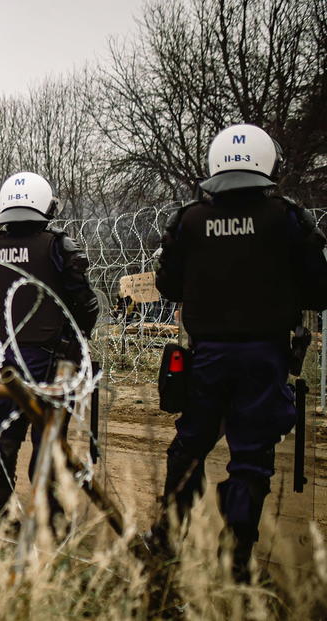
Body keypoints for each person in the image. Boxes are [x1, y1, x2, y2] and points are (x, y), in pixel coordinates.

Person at [152, 124, 327, 581]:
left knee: (190, 444)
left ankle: (167, 538)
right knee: (251, 456)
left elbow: (166, 283)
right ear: (266, 161)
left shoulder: (189, 220)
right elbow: (319, 288)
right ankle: (237, 557)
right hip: (265, 355)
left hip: (206, 355)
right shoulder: (286, 218)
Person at [0, 172, 99, 527]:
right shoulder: (58, 245)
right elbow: (86, 304)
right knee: (47, 436)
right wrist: (76, 340)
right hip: (46, 357)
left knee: (1, 436)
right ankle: (47, 512)